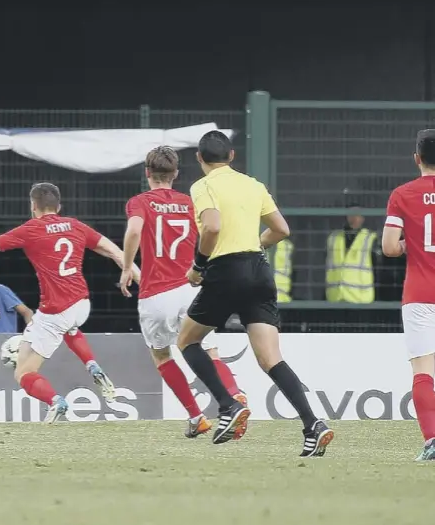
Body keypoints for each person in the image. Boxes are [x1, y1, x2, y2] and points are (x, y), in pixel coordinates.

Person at [176, 130, 334, 457]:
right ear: (232, 156)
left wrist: (198, 266)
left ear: (199, 159)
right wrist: (252, 246)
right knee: (271, 358)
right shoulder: (253, 184)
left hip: (225, 271)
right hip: (260, 270)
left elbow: (213, 226)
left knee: (187, 341)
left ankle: (228, 405)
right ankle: (312, 425)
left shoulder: (202, 186)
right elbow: (281, 229)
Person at [0, 182, 139, 424]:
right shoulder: (76, 225)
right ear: (58, 206)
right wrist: (139, 278)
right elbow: (115, 252)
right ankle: (92, 365)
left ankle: (55, 401)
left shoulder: (31, 229)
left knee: (24, 372)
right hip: (82, 304)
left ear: (33, 206)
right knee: (69, 326)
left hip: (55, 311)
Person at [119, 146, 245, 439]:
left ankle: (196, 416)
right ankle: (235, 395)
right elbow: (214, 232)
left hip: (156, 295)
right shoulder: (190, 202)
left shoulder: (140, 202)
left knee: (162, 356)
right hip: (191, 289)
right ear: (176, 174)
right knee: (209, 349)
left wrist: (127, 266)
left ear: (147, 173)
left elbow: (135, 231)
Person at [382, 129, 435, 462]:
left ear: (416, 158)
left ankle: (432, 440)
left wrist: (408, 245)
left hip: (419, 294)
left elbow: (389, 247)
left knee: (423, 371)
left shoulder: (402, 194)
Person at [326, 204, 378, 303]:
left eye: (358, 214)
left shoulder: (370, 238)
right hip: (336, 297)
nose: (354, 218)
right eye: (351, 214)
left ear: (363, 218)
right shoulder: (333, 238)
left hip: (360, 299)